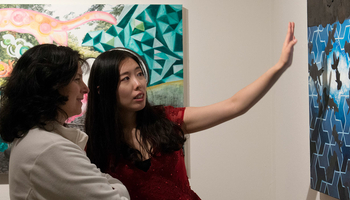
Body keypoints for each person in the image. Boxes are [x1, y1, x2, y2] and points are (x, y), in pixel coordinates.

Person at [85, 22, 297, 199]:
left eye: (139, 74)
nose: (138, 84)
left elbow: (235, 105)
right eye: (126, 78)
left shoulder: (167, 119)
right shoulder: (95, 148)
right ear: (102, 90)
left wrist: (279, 66)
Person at [0, 44, 130, 200]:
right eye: (77, 79)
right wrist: (121, 188)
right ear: (52, 85)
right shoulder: (50, 148)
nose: (85, 89)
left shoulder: (37, 138)